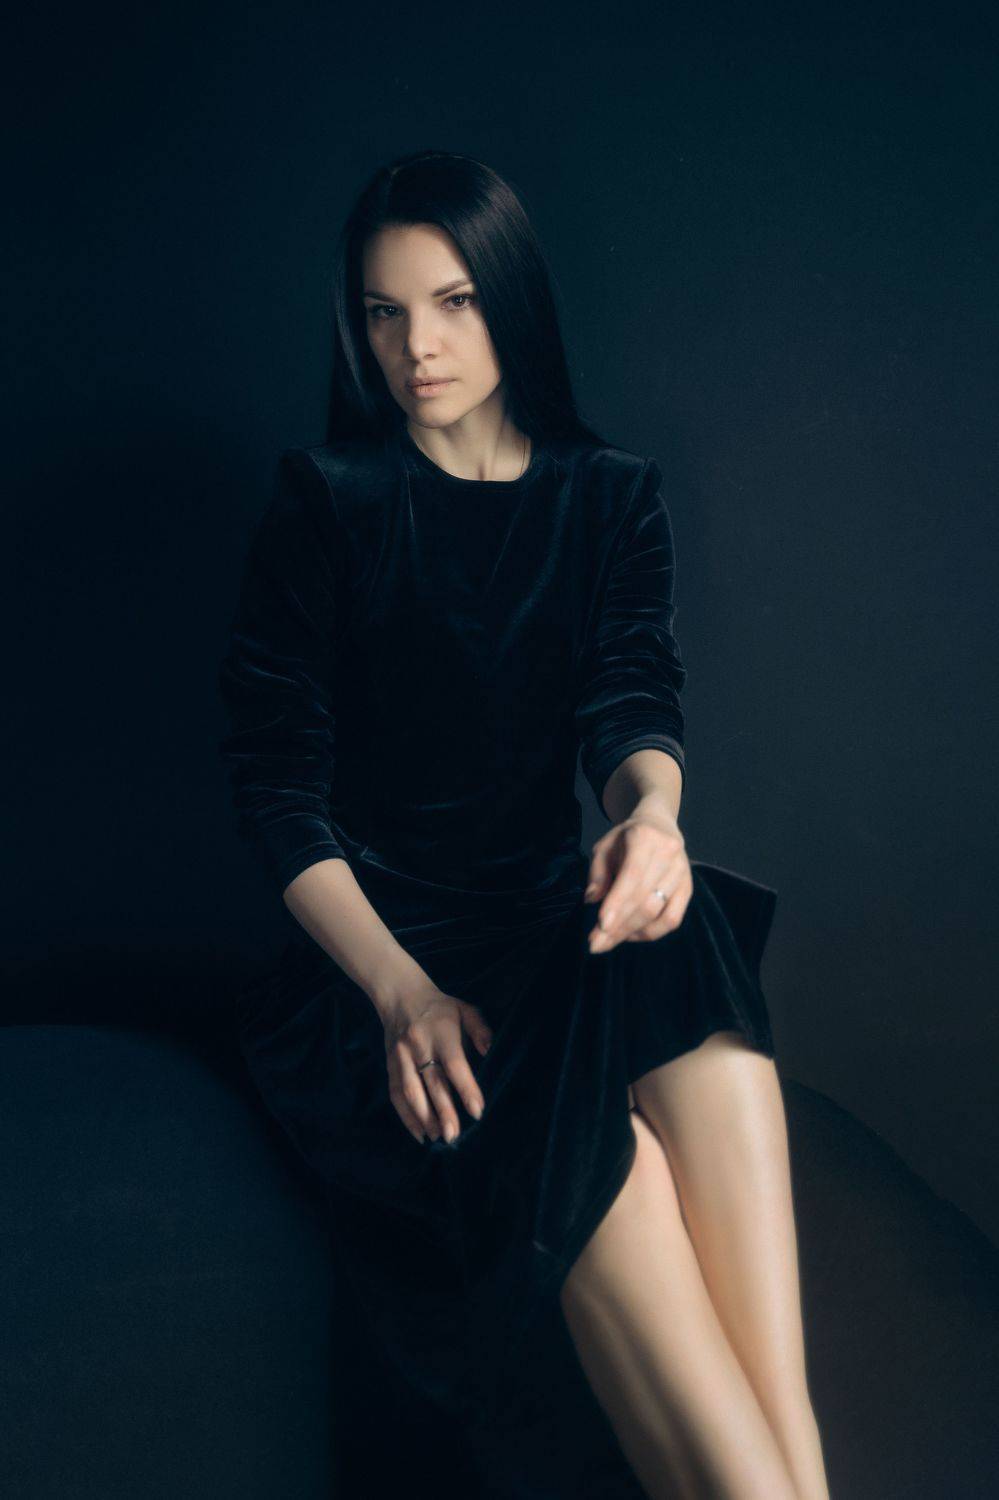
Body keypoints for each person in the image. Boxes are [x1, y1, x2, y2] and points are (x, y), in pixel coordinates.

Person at [217, 149, 830, 1500]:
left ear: (511, 301)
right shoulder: (329, 501)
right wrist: (401, 993)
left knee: (683, 922)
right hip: (389, 967)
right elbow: (277, 792)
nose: (417, 349)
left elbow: (630, 699)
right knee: (628, 1198)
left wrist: (654, 818)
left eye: (452, 303)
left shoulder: (607, 496)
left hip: (548, 931)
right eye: (384, 314)